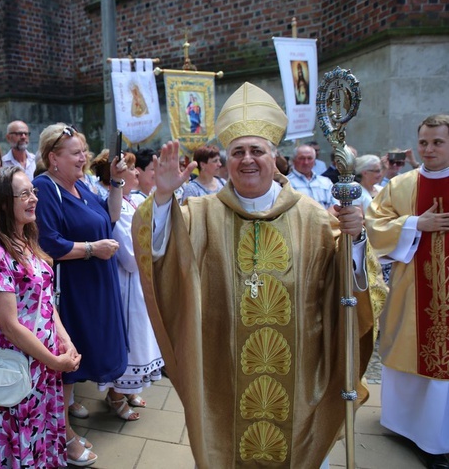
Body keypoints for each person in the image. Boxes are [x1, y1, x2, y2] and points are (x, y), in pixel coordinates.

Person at [132, 82, 374, 468]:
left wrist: (356, 238)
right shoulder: (203, 214)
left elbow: (347, 287)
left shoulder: (312, 216)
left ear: (275, 158)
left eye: (256, 150)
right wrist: (161, 200)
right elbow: (162, 254)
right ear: (227, 160)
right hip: (224, 369)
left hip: (300, 371)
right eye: (238, 151)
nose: (247, 159)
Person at [0, 166, 81, 468]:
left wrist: (65, 342)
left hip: (43, 362)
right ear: (4, 203)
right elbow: (10, 325)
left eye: (33, 192)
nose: (33, 199)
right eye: (24, 194)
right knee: (21, 444)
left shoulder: (28, 242)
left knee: (44, 438)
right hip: (18, 366)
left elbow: (45, 300)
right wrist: (53, 360)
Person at [32, 123, 129, 465]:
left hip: (95, 282)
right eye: (75, 152)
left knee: (83, 355)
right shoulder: (44, 189)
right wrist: (91, 249)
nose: (83, 157)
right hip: (70, 288)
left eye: (84, 150)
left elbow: (110, 215)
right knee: (67, 362)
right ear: (52, 158)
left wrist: (116, 180)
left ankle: (63, 422)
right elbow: (48, 243)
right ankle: (63, 435)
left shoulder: (81, 186)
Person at [366, 114, 449, 469]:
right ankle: (413, 430)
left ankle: (438, 435)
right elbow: (373, 223)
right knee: (411, 351)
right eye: (423, 142)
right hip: (413, 289)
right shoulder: (401, 185)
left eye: (437, 142)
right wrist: (416, 223)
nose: (428, 149)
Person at [104, 151, 163, 407]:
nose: (137, 172)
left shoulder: (132, 201)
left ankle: (129, 389)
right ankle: (116, 394)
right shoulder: (115, 206)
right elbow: (129, 256)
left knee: (142, 336)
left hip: (140, 281)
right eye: (130, 168)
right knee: (132, 338)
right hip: (128, 284)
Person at [287, 144, 335, 210]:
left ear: (314, 161)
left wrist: (324, 219)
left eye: (309, 158)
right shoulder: (286, 183)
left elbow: (335, 206)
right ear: (294, 160)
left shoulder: (326, 182)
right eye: (302, 158)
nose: (306, 162)